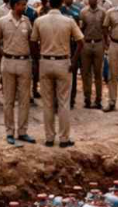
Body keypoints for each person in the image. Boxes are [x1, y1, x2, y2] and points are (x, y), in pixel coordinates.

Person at [31, 0, 83, 147]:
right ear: (61, 4)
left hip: (45, 62)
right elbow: (80, 42)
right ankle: (64, 139)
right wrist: (73, 61)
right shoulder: (69, 21)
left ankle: (49, 138)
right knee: (63, 102)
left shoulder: (39, 21)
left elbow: (33, 42)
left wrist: (37, 60)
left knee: (47, 103)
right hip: (63, 63)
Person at [0, 0, 36, 145]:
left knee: (24, 100)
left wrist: (33, 60)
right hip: (8, 62)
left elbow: (31, 41)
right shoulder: (2, 21)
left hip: (24, 62)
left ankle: (22, 131)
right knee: (9, 100)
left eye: (24, 4)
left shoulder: (27, 21)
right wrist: (3, 59)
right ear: (14, 5)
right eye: (21, 4)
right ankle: (9, 132)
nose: (24, 7)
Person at [78, 0, 104, 109]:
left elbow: (105, 28)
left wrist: (106, 43)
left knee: (98, 73)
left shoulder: (103, 12)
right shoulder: (83, 12)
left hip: (98, 43)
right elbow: (80, 29)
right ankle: (87, 99)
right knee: (86, 73)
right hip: (86, 44)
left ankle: (98, 100)